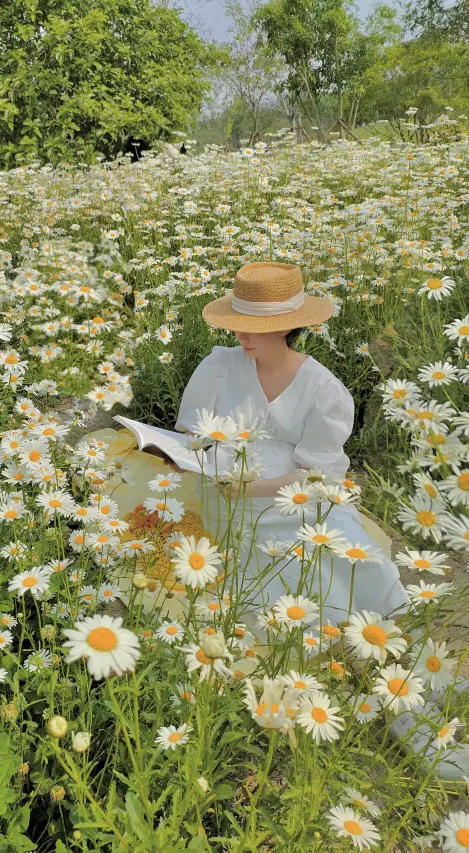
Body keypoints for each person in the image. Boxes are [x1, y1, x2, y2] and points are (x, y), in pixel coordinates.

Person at [172, 261, 469, 780]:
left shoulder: (323, 388)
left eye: (257, 327)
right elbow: (189, 434)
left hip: (291, 498)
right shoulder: (217, 367)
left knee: (346, 555)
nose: (244, 335)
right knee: (288, 586)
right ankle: (390, 691)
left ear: (288, 325)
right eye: (240, 323)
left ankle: (414, 687)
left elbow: (317, 478)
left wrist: (253, 485)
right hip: (221, 495)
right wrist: (210, 464)